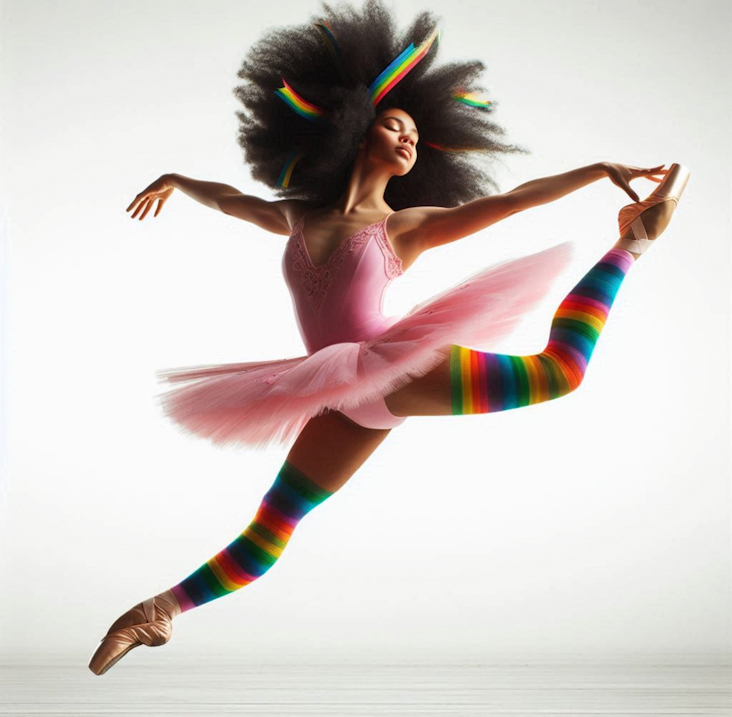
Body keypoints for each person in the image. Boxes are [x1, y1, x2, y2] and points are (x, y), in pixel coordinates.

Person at [88, 0, 689, 675]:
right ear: (353, 127)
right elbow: (232, 200)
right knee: (272, 525)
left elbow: (512, 201)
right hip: (339, 391)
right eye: (396, 124)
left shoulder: (405, 227)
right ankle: (157, 611)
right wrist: (177, 181)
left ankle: (630, 245)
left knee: (561, 373)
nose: (408, 140)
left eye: (414, 138)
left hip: (394, 368)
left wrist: (597, 170)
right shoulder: (295, 217)